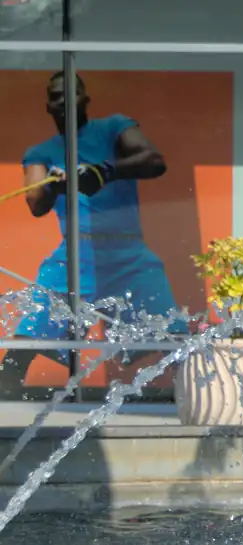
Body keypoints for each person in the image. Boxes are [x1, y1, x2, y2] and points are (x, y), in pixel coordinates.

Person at [12, 72, 175, 380]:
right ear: (47, 106)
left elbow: (154, 161)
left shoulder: (115, 128)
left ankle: (207, 404)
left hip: (128, 252)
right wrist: (54, 187)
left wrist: (104, 171)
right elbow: (35, 204)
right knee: (23, 347)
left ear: (85, 99)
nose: (62, 101)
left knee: (173, 335)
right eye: (55, 96)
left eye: (70, 94)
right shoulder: (40, 152)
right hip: (75, 254)